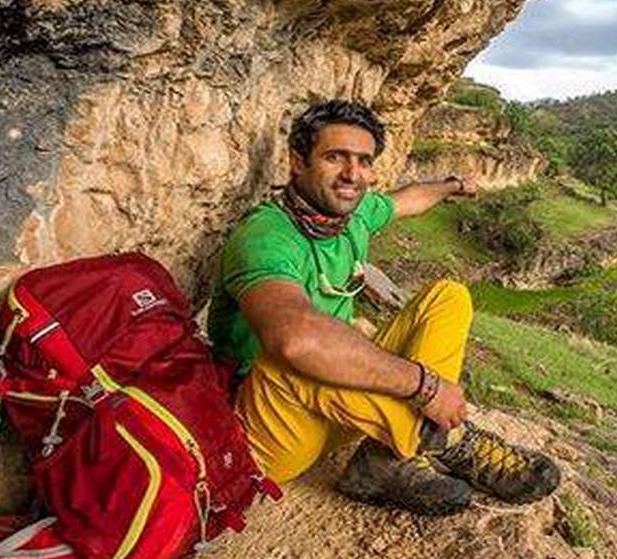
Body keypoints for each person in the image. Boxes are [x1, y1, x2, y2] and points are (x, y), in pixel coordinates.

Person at [207, 99, 559, 515]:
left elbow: (409, 198)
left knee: (447, 297)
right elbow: (295, 340)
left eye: (364, 161)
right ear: (298, 162)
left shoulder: (354, 216)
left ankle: (382, 461)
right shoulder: (265, 236)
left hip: (341, 411)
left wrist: (453, 185)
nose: (352, 174)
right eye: (335, 157)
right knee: (299, 353)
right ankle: (449, 440)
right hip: (274, 428)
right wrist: (426, 388)